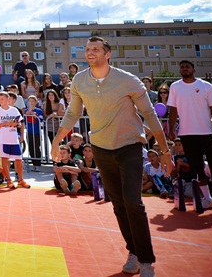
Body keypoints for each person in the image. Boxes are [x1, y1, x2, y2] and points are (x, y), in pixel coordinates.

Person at [51, 36, 170, 277]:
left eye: (96, 49)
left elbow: (149, 114)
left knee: (133, 202)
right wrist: (56, 140)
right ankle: (133, 252)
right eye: (87, 49)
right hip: (101, 148)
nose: (90, 52)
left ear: (107, 54)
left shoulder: (128, 80)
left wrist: (165, 151)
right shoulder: (79, 81)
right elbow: (73, 114)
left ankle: (146, 260)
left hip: (130, 146)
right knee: (118, 204)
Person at [167, 59, 212, 202]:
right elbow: (173, 110)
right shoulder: (175, 87)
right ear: (180, 71)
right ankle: (207, 199)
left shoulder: (206, 86)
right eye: (182, 67)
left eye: (187, 67)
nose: (184, 68)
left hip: (206, 133)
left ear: (194, 70)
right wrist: (171, 129)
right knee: (196, 168)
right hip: (186, 134)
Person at [0, 91, 29, 188]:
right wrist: (5, 123)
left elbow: (20, 122)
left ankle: (20, 179)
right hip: (3, 139)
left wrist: (16, 124)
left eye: (2, 99)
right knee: (5, 159)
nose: (0, 101)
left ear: (8, 99)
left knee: (18, 159)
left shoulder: (14, 110)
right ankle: (9, 180)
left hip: (14, 138)